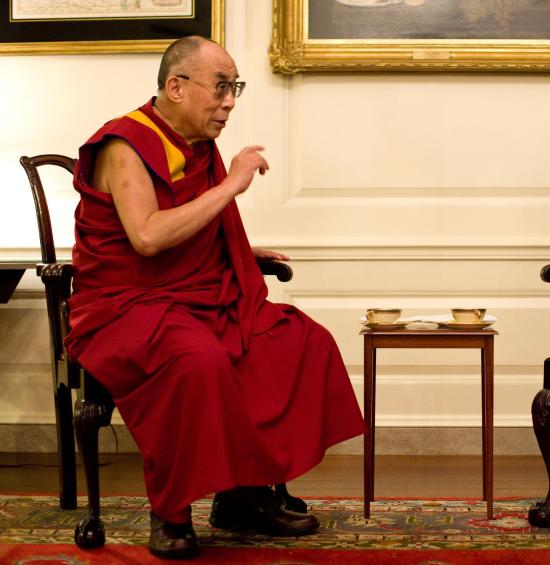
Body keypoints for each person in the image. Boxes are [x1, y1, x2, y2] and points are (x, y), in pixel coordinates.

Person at [65, 36, 366, 559]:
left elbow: (197, 227)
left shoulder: (195, 142)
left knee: (297, 339)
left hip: (194, 297)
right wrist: (232, 185)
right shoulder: (125, 145)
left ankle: (244, 495)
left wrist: (240, 251)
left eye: (235, 89)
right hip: (125, 307)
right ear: (176, 87)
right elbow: (149, 237)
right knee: (198, 360)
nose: (229, 102)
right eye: (221, 88)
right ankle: (171, 511)